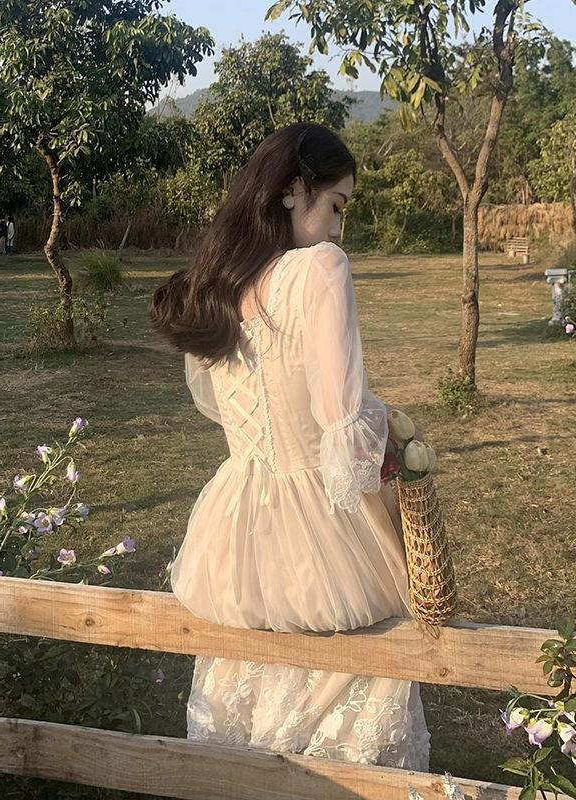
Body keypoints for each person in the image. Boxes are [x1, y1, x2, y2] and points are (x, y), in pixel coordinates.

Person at [148, 122, 430, 770]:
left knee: (246, 685)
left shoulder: (216, 285)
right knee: (351, 673)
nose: (338, 229)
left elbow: (223, 405)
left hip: (237, 519)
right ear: (293, 190)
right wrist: (391, 443)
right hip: (322, 521)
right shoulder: (319, 268)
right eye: (336, 205)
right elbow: (341, 421)